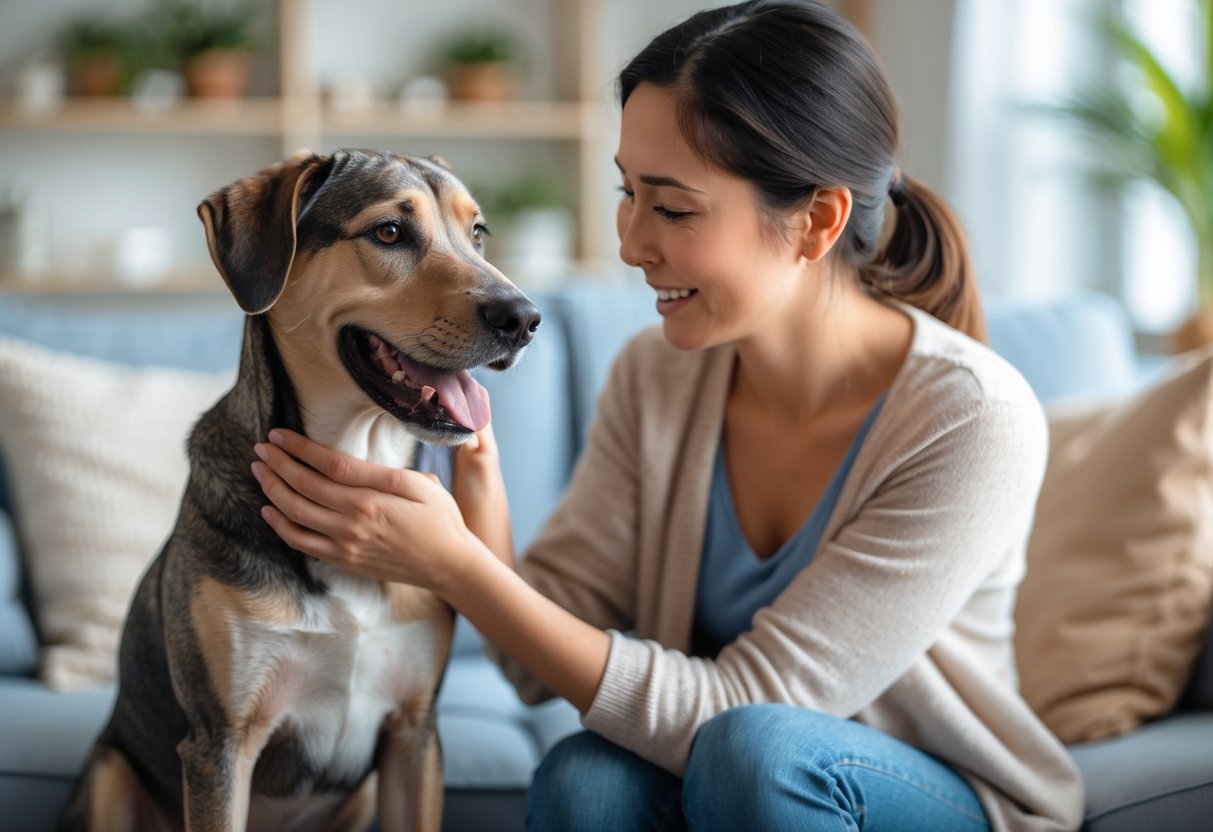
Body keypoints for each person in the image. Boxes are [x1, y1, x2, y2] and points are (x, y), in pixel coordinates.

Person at [249, 1, 1084, 829]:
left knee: (751, 752)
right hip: (734, 779)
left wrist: (453, 569)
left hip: (938, 800)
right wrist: (477, 497)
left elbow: (742, 712)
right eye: (627, 193)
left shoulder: (971, 419)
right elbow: (540, 659)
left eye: (673, 208)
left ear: (816, 221)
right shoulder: (657, 374)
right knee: (588, 778)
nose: (630, 242)